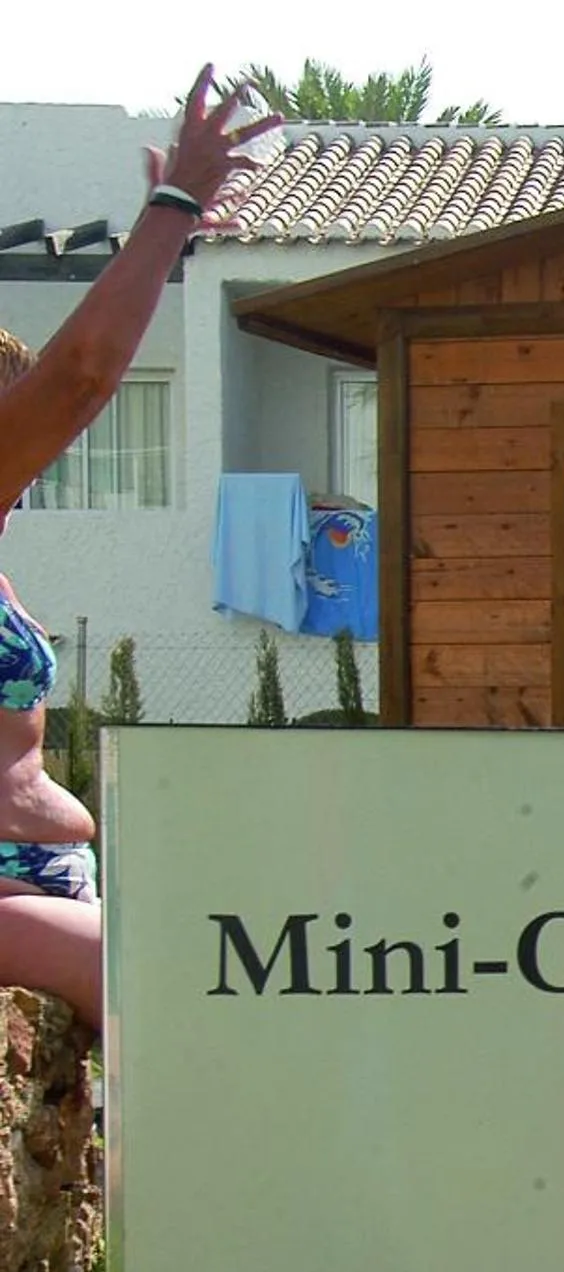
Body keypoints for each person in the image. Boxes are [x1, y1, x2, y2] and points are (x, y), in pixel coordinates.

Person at [0, 67, 279, 1029]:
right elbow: (81, 376)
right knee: (181, 995)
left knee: (228, 962)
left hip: (41, 885)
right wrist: (171, 208)